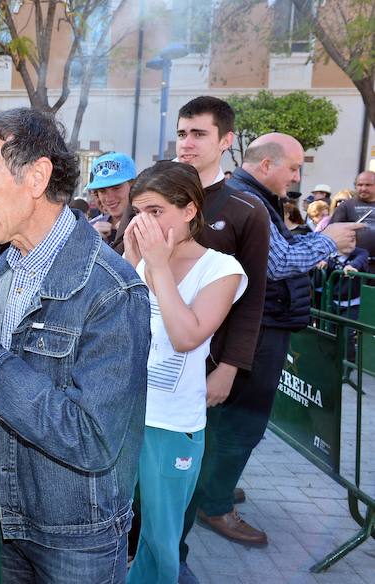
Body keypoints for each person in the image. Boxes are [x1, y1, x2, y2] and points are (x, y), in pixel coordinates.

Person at [0, 108, 149, 582]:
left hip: (77, 538)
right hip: (10, 516)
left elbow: (93, 439)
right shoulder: (8, 267)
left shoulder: (112, 290)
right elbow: (12, 378)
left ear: (37, 177)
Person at [196, 133, 361, 548]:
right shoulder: (249, 199)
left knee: (228, 420)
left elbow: (280, 250)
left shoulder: (249, 197)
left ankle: (213, 486)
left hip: (256, 327)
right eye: (293, 167)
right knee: (242, 423)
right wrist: (328, 240)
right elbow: (279, 264)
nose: (297, 176)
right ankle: (214, 503)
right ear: (266, 165)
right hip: (258, 331)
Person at [123, 161, 247, 584]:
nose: (145, 223)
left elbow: (185, 336)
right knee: (112, 526)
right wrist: (131, 263)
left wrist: (156, 267)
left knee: (161, 540)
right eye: (139, 212)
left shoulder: (221, 269)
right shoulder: (139, 261)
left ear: (190, 210)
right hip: (122, 414)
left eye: (156, 211)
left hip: (172, 423)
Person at [170, 96, 271, 583]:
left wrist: (230, 367)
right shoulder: (157, 193)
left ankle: (174, 556)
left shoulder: (247, 210)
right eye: (181, 133)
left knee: (186, 470)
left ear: (226, 141)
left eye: (199, 134)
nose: (187, 143)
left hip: (204, 367)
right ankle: (130, 550)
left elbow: (253, 301)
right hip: (150, 360)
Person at [85, 151, 136, 253]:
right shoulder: (90, 229)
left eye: (116, 188)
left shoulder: (146, 227)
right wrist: (88, 244)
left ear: (133, 186)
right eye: (102, 191)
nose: (109, 198)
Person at [331, 171, 375, 269]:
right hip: (353, 265)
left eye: (368, 185)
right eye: (360, 185)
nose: (363, 188)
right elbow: (332, 233)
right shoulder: (346, 206)